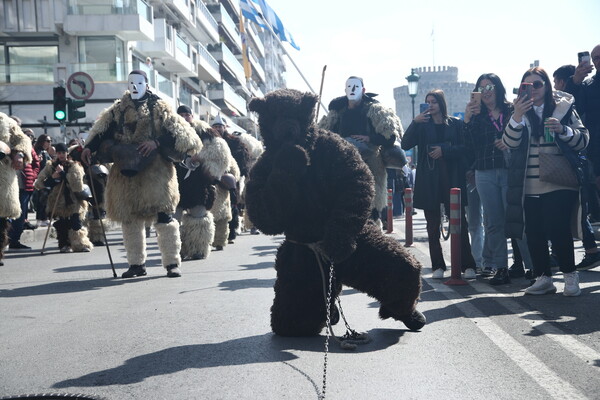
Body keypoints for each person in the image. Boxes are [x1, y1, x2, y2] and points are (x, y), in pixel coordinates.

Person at [81, 70, 201, 278]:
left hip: (156, 173)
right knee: (130, 220)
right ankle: (136, 264)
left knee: (164, 217)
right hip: (125, 174)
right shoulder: (117, 110)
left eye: (139, 82)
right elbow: (102, 131)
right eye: (131, 83)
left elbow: (183, 136)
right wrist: (89, 146)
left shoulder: (159, 107)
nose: (135, 86)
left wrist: (156, 142)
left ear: (146, 84)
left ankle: (172, 262)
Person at [504, 67, 588, 296]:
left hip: (559, 179)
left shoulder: (563, 107)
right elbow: (509, 143)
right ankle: (544, 277)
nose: (533, 89)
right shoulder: (518, 112)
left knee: (557, 227)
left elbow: (583, 140)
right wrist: (517, 115)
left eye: (538, 84)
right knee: (534, 231)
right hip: (527, 182)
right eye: (527, 85)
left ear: (547, 85)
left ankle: (570, 275)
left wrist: (563, 130)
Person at [464, 73, 532, 285]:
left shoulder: (511, 109)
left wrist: (509, 141)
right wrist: (467, 119)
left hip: (511, 169)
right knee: (493, 223)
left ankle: (533, 267)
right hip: (485, 171)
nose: (486, 92)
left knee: (516, 219)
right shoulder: (476, 116)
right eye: (481, 88)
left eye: (490, 86)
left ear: (498, 88)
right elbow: (468, 145)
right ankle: (500, 267)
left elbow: (525, 134)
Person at [401, 89, 476, 279]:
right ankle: (438, 266)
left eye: (434, 101)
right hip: (429, 179)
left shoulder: (455, 124)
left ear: (441, 103)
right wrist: (414, 122)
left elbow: (466, 148)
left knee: (460, 223)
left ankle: (467, 264)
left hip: (452, 178)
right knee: (432, 225)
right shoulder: (422, 126)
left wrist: (444, 150)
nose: (431, 105)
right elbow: (405, 144)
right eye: (427, 102)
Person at [319, 76, 403, 225]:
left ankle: (373, 228)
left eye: (356, 87)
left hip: (370, 162)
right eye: (349, 87)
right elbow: (323, 134)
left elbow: (389, 135)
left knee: (370, 204)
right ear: (345, 90)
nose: (352, 90)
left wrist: (369, 138)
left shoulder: (374, 109)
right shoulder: (337, 111)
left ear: (363, 90)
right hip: (343, 162)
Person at [175, 105, 231, 260]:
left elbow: (221, 153)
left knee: (199, 216)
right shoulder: (169, 132)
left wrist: (200, 158)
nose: (185, 117)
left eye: (188, 114)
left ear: (192, 116)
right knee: (173, 220)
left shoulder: (206, 132)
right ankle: (176, 251)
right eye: (182, 114)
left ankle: (198, 249)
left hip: (199, 183)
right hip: (174, 183)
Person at [564, 45, 600, 270]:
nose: (597, 61)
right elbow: (574, 106)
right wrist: (575, 81)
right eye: (595, 58)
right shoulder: (589, 85)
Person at [34, 142, 93, 253]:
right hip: (58, 200)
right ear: (56, 153)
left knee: (76, 223)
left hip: (74, 199)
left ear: (67, 153)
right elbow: (39, 183)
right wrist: (52, 178)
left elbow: (77, 185)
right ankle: (64, 244)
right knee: (62, 223)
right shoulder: (50, 166)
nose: (61, 155)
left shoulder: (74, 165)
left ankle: (81, 244)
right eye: (59, 153)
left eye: (63, 153)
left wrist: (62, 174)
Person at [0, 112, 32, 265]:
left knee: (1, 220)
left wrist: (19, 153)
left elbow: (22, 138)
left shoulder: (4, 120)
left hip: (2, 179)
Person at [211, 114, 248, 246]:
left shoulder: (234, 141)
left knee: (232, 204)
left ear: (224, 127)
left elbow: (241, 158)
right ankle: (214, 235)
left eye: (219, 126)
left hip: (231, 176)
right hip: (214, 176)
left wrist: (236, 173)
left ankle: (231, 232)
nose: (217, 128)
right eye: (215, 126)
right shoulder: (209, 140)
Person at [8, 126, 40, 250]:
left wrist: (32, 176)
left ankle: (15, 240)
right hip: (8, 184)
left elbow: (36, 163)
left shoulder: (27, 147)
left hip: (24, 185)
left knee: (21, 215)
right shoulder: (5, 145)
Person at [33, 134, 54, 227]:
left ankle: (43, 218)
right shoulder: (39, 152)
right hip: (42, 178)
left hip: (44, 178)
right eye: (48, 141)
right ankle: (42, 218)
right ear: (42, 141)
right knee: (42, 199)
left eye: (50, 141)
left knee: (44, 199)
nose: (49, 143)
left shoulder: (44, 151)